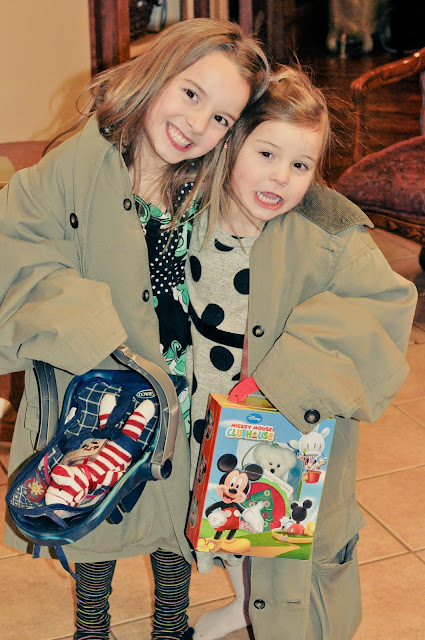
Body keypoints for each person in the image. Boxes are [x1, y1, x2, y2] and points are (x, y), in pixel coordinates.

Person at [0, 18, 270, 640]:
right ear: (158, 74)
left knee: (173, 497)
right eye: (191, 93)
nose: (197, 124)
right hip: (102, 375)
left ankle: (171, 618)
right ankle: (92, 619)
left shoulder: (211, 182)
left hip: (184, 376)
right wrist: (82, 320)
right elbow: (17, 245)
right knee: (95, 497)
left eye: (221, 118)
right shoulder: (79, 165)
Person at [186, 65, 417, 640]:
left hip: (289, 418)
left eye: (300, 165)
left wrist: (286, 382)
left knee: (287, 536)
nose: (280, 177)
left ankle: (283, 615)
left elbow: (382, 312)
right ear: (231, 143)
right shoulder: (192, 212)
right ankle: (244, 602)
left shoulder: (330, 235)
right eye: (266, 154)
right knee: (227, 520)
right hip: (203, 405)